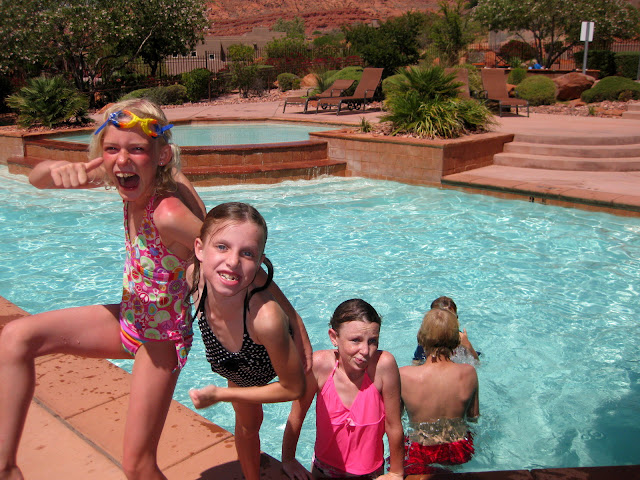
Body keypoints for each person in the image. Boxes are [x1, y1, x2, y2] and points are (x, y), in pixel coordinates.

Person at [0, 99, 206, 480]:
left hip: (161, 337)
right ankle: (6, 469)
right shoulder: (125, 177)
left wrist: (199, 270)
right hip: (129, 319)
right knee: (15, 338)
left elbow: (221, 247)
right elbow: (35, 179)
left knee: (138, 466)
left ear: (161, 156)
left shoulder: (168, 212)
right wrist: (58, 170)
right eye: (112, 149)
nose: (122, 160)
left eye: (136, 149)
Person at [187, 202, 306, 480]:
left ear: (260, 261)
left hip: (287, 359)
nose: (232, 261)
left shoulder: (265, 319)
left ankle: (289, 458)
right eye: (222, 247)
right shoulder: (193, 279)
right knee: (249, 426)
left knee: (309, 396)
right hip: (237, 368)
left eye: (247, 253)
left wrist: (221, 395)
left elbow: (294, 387)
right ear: (199, 249)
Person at [281, 299, 404, 480]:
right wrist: (288, 459)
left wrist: (396, 471)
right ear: (334, 337)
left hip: (370, 474)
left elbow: (393, 425)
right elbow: (296, 416)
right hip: (324, 470)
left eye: (372, 341)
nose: (365, 350)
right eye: (355, 340)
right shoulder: (319, 366)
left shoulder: (383, 366)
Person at [400, 308, 479, 476]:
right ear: (455, 339)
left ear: (421, 336)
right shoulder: (469, 372)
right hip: (458, 449)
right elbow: (474, 417)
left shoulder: (404, 375)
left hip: (420, 450)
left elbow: (394, 422)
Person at [412, 296, 479, 365]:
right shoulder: (427, 339)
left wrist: (468, 345)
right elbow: (417, 361)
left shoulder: (460, 338)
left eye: (451, 319)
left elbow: (476, 362)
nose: (446, 324)